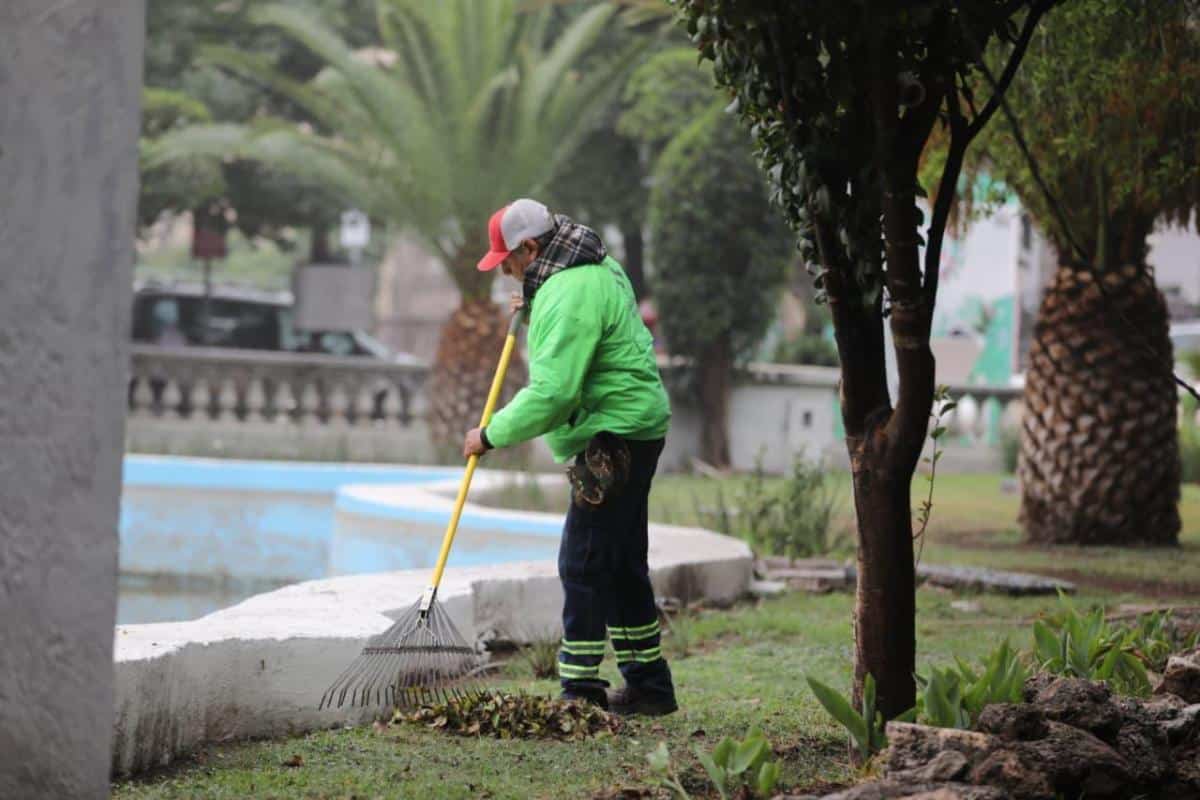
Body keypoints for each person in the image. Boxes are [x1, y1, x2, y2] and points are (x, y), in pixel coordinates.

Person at [462, 198, 677, 716]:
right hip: (635, 425)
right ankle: (649, 687)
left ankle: (579, 690)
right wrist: (536, 301)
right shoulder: (595, 266)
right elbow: (583, 336)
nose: (507, 273)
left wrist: (489, 435)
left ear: (532, 248)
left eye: (509, 262)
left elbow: (555, 392)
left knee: (582, 560)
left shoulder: (568, 291)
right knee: (621, 562)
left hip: (611, 434)